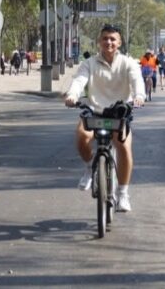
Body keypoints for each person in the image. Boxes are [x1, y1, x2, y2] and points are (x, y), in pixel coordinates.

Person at [64, 24, 145, 212]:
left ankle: (123, 193)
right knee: (82, 137)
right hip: (94, 111)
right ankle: (89, 167)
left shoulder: (128, 63)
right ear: (99, 42)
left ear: (119, 43)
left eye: (112, 39)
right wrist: (72, 95)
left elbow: (137, 81)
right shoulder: (89, 63)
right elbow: (79, 81)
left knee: (124, 147)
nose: (108, 42)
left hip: (119, 112)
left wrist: (139, 96)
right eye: (105, 38)